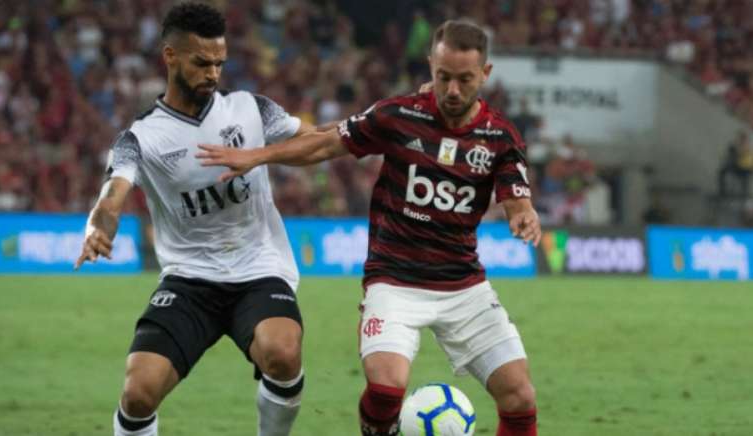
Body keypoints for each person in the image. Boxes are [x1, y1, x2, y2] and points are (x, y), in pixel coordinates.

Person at [197, 20, 541, 436]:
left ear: (484, 74)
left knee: (520, 399)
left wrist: (523, 214)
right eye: (443, 76)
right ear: (430, 65)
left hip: (464, 286)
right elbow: (326, 143)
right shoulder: (397, 115)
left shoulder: (500, 137)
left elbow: (516, 198)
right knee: (385, 389)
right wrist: (258, 156)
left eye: (464, 79)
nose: (452, 90)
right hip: (394, 281)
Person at [74, 3, 320, 435]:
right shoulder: (140, 138)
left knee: (282, 352)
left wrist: (368, 129)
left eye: (219, 63)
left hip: (258, 270)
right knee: (137, 393)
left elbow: (318, 141)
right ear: (170, 56)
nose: (213, 73)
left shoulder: (250, 109)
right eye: (201, 62)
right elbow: (111, 198)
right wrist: (98, 229)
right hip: (190, 279)